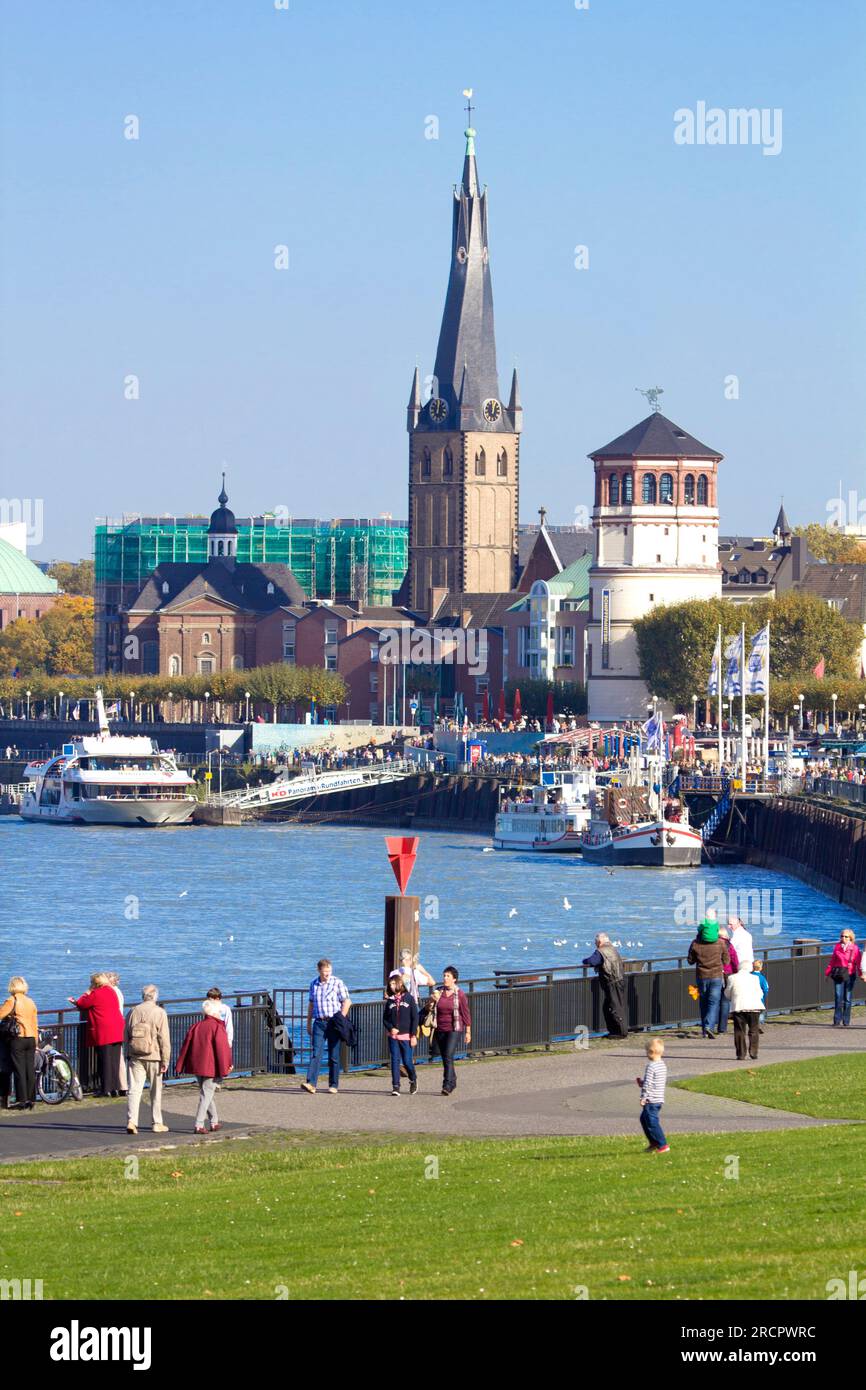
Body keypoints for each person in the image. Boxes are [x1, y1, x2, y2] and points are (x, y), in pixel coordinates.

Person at [176, 999, 233, 1134]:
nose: (220, 1014)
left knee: (207, 1093)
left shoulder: (196, 1026)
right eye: (219, 1012)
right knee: (206, 1094)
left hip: (197, 1065)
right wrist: (227, 1066)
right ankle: (199, 1124)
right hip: (211, 1067)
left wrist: (180, 1065)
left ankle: (214, 1121)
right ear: (214, 1013)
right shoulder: (217, 1027)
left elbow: (186, 1046)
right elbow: (222, 1049)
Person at [124, 984, 171, 1136]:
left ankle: (132, 1121)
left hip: (136, 1055)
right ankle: (157, 1122)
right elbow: (164, 1038)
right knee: (155, 1091)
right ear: (155, 996)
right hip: (154, 1056)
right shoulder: (159, 1012)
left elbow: (126, 1034)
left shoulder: (133, 1011)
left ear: (142, 996)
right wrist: (166, 1060)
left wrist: (128, 1053)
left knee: (134, 1090)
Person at [301, 958, 352, 1095]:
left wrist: (341, 1018)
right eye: (324, 972)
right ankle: (311, 1083)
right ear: (319, 971)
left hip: (333, 1021)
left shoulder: (337, 983)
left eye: (329, 971)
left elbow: (347, 1001)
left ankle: (333, 1084)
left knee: (333, 1055)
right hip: (319, 1022)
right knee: (316, 1053)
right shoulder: (314, 984)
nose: (327, 974)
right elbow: (311, 1004)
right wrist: (308, 1023)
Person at [69, 972, 124, 1096]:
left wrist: (87, 992)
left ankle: (105, 1089)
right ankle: (115, 1088)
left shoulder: (96, 993)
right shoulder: (111, 991)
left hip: (104, 1031)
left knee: (104, 1061)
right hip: (117, 1028)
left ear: (95, 983)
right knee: (114, 1061)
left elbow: (83, 1003)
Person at [687, 917, 730, 1038]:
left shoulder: (695, 943)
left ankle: (705, 1029)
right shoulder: (721, 943)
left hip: (702, 976)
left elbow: (690, 961)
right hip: (716, 976)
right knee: (713, 1002)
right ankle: (708, 1026)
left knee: (704, 1002)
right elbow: (727, 961)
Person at [432, 966, 471, 1096]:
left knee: (448, 1055)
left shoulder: (460, 994)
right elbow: (428, 1009)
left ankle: (447, 1084)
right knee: (445, 1057)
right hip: (439, 1028)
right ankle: (453, 1080)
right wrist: (432, 1000)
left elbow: (466, 1014)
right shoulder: (438, 991)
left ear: (454, 979)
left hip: (454, 1028)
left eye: (448, 976)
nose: (445, 978)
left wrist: (468, 1032)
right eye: (444, 976)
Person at [0, 977, 38, 1110]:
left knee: (19, 1069)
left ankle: (21, 1100)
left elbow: (1, 1014)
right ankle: (31, 1099)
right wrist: (36, 1042)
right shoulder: (30, 1001)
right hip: (31, 1038)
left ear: (12, 987)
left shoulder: (12, 1000)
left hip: (18, 1038)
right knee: (30, 1070)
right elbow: (34, 1022)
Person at [582, 933, 628, 1039]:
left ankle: (621, 1032)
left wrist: (584, 961)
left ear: (599, 942)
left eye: (595, 942)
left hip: (612, 982)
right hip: (618, 980)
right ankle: (615, 1031)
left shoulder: (601, 951)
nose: (595, 944)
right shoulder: (612, 948)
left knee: (614, 1007)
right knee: (610, 1006)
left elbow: (592, 961)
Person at [383, 971, 419, 1096]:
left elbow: (415, 1018)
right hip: (393, 1037)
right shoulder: (390, 1001)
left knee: (407, 1061)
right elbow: (385, 1019)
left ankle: (413, 1078)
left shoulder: (409, 998)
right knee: (395, 1060)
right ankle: (396, 1086)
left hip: (406, 1036)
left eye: (394, 983)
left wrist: (413, 1035)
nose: (392, 986)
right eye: (390, 984)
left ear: (399, 983)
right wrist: (390, 1028)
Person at [724, 960, 765, 1060]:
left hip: (739, 1007)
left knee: (739, 1031)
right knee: (754, 1030)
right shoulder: (755, 978)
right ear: (750, 968)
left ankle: (741, 1054)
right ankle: (753, 1052)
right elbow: (760, 993)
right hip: (754, 1007)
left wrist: (732, 998)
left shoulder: (732, 978)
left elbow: (727, 993)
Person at [635, 1037, 669, 1154]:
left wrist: (643, 1097)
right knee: (644, 1119)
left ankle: (662, 1144)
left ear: (650, 1052)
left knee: (651, 1121)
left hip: (651, 1099)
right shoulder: (662, 1065)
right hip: (658, 1098)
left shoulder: (651, 1066)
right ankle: (653, 1142)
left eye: (646, 1052)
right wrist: (642, 1083)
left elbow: (648, 1084)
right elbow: (654, 1082)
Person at [825, 928, 861, 1027]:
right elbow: (832, 961)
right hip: (838, 975)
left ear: (850, 938)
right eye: (842, 936)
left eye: (846, 936)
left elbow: (858, 963)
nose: (843, 938)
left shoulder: (855, 948)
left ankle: (846, 1021)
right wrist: (827, 973)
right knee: (838, 997)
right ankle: (836, 1021)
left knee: (847, 998)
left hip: (850, 974)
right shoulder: (837, 947)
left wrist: (862, 974)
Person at [107, 972, 128, 1095]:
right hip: (119, 1024)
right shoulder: (118, 991)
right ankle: (121, 1085)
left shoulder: (112, 992)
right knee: (118, 1056)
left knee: (115, 1056)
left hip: (114, 1026)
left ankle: (116, 1085)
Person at [717, 927, 740, 1036]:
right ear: (726, 935)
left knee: (712, 1001)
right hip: (728, 974)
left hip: (714, 974)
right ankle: (722, 1028)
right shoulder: (729, 945)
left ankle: (709, 1025)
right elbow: (735, 960)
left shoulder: (713, 944)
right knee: (725, 1001)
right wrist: (736, 972)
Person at [753, 959, 769, 1031]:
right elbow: (766, 988)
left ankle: (753, 1025)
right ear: (761, 968)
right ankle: (759, 1024)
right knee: (760, 1011)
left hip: (750, 998)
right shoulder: (762, 977)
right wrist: (764, 996)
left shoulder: (750, 976)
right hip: (759, 998)